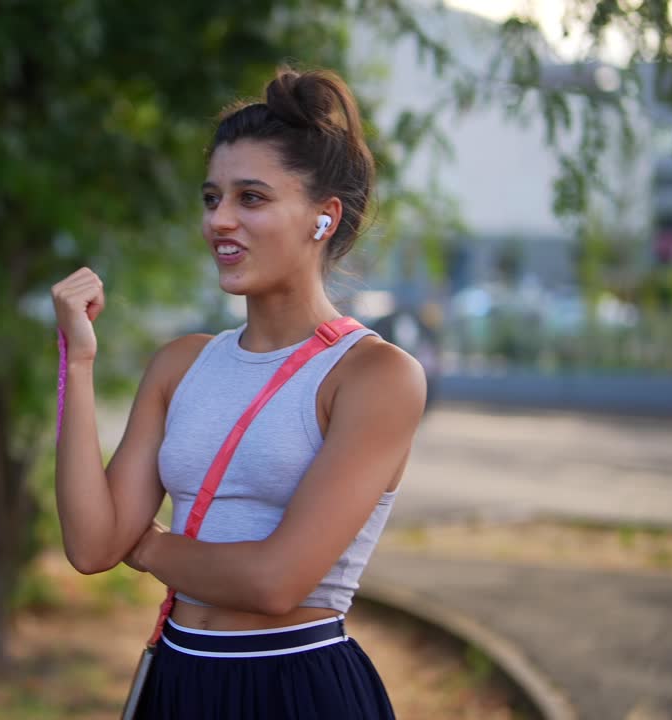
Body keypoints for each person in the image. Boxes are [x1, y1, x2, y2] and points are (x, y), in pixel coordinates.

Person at [50, 65, 426, 718]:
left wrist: (146, 547)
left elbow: (277, 581)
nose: (219, 219)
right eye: (211, 198)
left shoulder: (372, 376)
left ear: (322, 218)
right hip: (180, 680)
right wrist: (77, 364)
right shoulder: (181, 364)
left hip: (295, 688)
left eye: (251, 198)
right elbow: (89, 546)